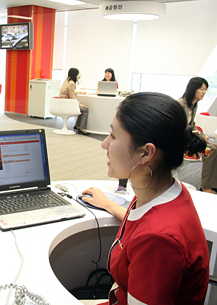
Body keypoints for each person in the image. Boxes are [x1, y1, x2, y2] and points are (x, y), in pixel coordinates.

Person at [80, 92, 209, 305]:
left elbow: (152, 234)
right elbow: (144, 225)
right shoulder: (162, 189)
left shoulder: (158, 240)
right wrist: (107, 205)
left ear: (146, 153)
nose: (104, 144)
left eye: (113, 136)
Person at [178, 77, 217, 194]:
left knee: (215, 147)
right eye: (201, 89)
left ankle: (212, 183)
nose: (204, 92)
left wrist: (201, 134)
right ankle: (206, 186)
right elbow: (182, 128)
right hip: (181, 138)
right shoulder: (180, 104)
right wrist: (198, 137)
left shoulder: (193, 105)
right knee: (211, 149)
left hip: (189, 136)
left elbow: (192, 125)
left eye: (205, 89)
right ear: (193, 89)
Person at [58, 67, 89, 135]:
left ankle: (77, 126)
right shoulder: (72, 83)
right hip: (67, 105)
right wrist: (79, 104)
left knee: (81, 109)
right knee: (85, 109)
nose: (78, 76)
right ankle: (82, 127)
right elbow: (72, 97)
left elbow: (69, 92)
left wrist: (80, 92)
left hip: (62, 103)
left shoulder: (66, 81)